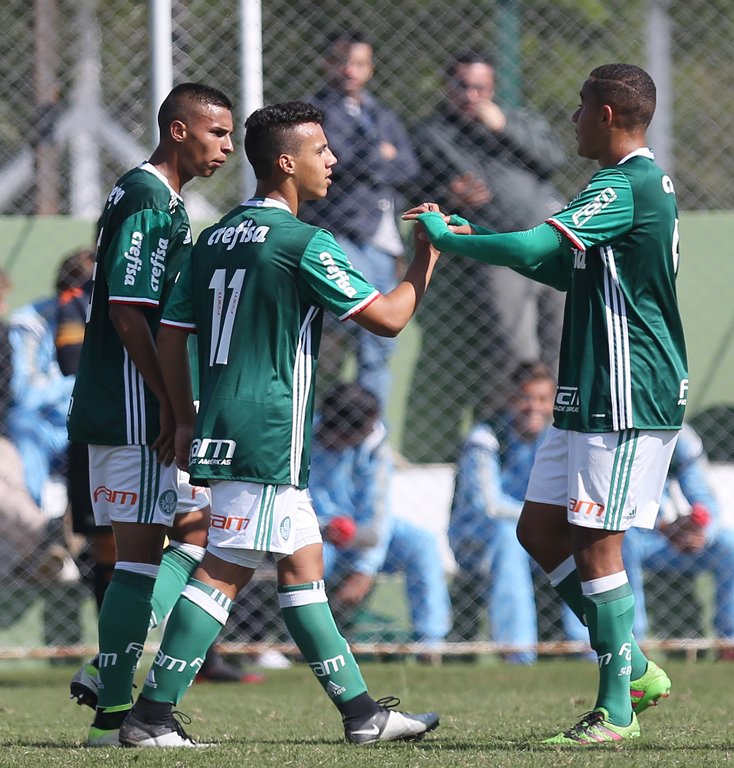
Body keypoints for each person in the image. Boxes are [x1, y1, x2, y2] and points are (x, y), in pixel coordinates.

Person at [116, 101, 440, 748]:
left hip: (224, 422)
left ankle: (362, 714)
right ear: (286, 163)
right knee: (224, 570)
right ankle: (150, 716)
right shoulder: (302, 242)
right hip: (266, 430)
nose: (335, 161)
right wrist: (425, 254)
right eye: (322, 151)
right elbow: (389, 318)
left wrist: (184, 420)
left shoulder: (214, 239)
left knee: (302, 564)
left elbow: (174, 336)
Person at [407, 63, 688, 744]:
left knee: (598, 544)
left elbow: (537, 243)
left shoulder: (630, 182)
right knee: (539, 529)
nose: (572, 121)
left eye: (580, 108)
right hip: (590, 389)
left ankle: (617, 708)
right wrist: (476, 242)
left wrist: (445, 241)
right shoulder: (613, 186)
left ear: (608, 116)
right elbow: (556, 263)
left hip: (627, 390)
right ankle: (635, 667)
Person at [65, 83, 236, 746]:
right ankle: (115, 719)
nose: (224, 147)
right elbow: (128, 311)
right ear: (177, 130)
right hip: (136, 406)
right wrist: (171, 403)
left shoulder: (162, 199)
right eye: (216, 133)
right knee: (138, 559)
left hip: (141, 402)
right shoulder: (144, 195)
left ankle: (108, 676)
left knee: (197, 532)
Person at [404, 49, 566, 462]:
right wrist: (447, 197)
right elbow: (409, 187)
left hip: (551, 243)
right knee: (516, 350)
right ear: (447, 87)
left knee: (562, 345)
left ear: (493, 88)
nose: (471, 95)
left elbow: (554, 160)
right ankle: (512, 445)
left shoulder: (518, 119)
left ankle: (559, 442)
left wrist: (504, 127)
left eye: (480, 87)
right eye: (462, 86)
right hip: (497, 250)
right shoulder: (433, 133)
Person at [300, 30, 419, 416]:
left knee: (380, 344)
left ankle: (370, 432)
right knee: (347, 334)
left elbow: (408, 167)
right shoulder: (315, 112)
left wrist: (378, 160)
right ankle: (325, 430)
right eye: (343, 61)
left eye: (360, 63)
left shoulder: (379, 112)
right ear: (327, 63)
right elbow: (343, 162)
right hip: (343, 235)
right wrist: (380, 155)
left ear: (371, 68)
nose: (351, 70)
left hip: (383, 242)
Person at [449, 361, 586, 663]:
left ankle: (588, 647)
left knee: (584, 537)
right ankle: (518, 653)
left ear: (553, 402)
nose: (533, 407)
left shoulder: (561, 439)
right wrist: (551, 519)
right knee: (509, 538)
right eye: (525, 398)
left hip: (543, 534)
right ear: (511, 400)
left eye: (542, 399)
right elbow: (490, 506)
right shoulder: (485, 438)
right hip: (478, 538)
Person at [310, 382, 451, 648]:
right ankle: (306, 642)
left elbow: (377, 516)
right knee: (315, 556)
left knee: (422, 542)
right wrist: (322, 527)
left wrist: (365, 569)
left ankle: (430, 642)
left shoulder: (374, 444)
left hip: (361, 536)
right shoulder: (300, 436)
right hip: (314, 533)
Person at [623, 423, 734, 647]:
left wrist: (701, 533)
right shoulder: (620, 431)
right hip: (636, 535)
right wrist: (664, 526)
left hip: (672, 538)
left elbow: (703, 499)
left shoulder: (682, 437)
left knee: (728, 545)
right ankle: (633, 645)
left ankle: (728, 643)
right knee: (622, 544)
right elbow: (618, 502)